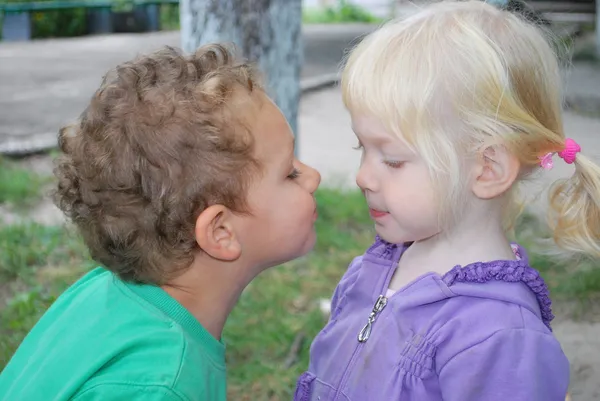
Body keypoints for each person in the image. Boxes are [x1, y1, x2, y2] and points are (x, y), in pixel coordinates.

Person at [295, 1, 599, 400]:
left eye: (392, 160)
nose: (363, 176)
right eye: (361, 148)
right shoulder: (375, 269)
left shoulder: (498, 337)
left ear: (487, 168)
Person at [0, 44, 321, 400]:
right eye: (290, 173)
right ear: (220, 231)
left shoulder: (102, 293)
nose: (314, 177)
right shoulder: (162, 385)